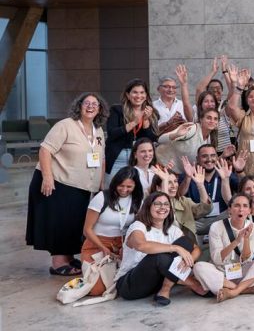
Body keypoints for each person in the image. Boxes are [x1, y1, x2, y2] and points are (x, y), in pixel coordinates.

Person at [27, 92, 109, 277]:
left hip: (83, 186)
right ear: (79, 106)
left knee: (73, 223)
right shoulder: (65, 125)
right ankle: (58, 263)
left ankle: (69, 257)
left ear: (100, 109)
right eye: (86, 103)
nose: (90, 106)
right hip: (59, 182)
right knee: (60, 222)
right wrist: (48, 177)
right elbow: (45, 150)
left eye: (94, 104)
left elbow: (101, 158)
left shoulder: (98, 131)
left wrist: (100, 184)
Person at [115, 192, 208, 305]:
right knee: (158, 257)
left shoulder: (173, 230)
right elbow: (141, 245)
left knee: (185, 242)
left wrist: (187, 261)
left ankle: (165, 289)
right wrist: (175, 248)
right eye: (157, 204)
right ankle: (193, 284)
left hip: (156, 282)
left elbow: (196, 249)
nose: (162, 207)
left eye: (166, 204)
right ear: (148, 207)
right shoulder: (138, 226)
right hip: (131, 284)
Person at [193, 193, 254, 302]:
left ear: (249, 211)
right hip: (221, 273)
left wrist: (246, 239)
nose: (241, 209)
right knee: (199, 267)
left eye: (245, 206)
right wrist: (236, 241)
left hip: (243, 272)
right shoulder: (216, 226)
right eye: (237, 205)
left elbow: (247, 259)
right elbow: (217, 259)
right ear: (229, 210)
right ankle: (243, 289)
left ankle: (233, 292)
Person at [81, 167, 143, 295]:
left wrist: (126, 247)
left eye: (129, 187)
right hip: (96, 244)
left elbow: (138, 227)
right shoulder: (102, 197)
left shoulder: (137, 200)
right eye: (121, 185)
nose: (124, 190)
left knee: (123, 284)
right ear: (115, 183)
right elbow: (87, 230)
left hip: (122, 245)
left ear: (135, 186)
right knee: (96, 289)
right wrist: (103, 248)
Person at [105, 79, 159, 177]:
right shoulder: (117, 110)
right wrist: (134, 123)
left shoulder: (152, 113)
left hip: (140, 159)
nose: (138, 96)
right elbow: (112, 134)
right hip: (118, 158)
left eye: (142, 92)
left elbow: (151, 140)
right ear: (127, 95)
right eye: (135, 92)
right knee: (114, 186)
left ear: (146, 95)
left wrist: (145, 121)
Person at [152, 160, 211, 246]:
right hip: (166, 248)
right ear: (158, 187)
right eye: (168, 182)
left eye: (175, 181)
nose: (174, 186)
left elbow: (205, 210)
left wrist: (200, 185)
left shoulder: (184, 201)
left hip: (190, 248)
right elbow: (164, 215)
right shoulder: (152, 205)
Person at [185, 145, 238, 234]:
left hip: (221, 218)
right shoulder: (189, 174)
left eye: (213, 155)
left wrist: (240, 171)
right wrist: (188, 177)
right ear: (197, 159)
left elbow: (244, 189)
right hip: (197, 220)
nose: (209, 159)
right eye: (204, 156)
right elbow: (179, 195)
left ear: (217, 157)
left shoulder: (224, 172)